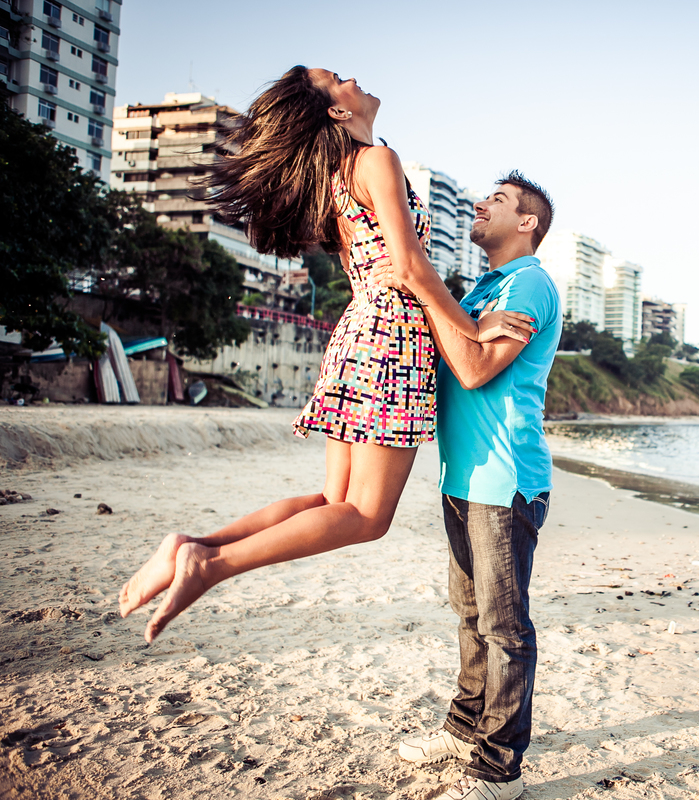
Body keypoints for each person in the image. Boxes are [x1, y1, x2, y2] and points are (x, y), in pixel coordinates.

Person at [116, 66, 534, 645]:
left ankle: (195, 546)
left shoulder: (337, 175)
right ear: (337, 112)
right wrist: (474, 325)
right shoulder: (376, 162)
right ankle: (211, 566)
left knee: (332, 501)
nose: (354, 79)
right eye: (339, 79)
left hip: (359, 334)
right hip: (394, 339)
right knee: (365, 516)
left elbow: (389, 264)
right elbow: (409, 267)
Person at [380, 172, 562, 800]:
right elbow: (447, 346)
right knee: (470, 615)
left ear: (528, 223)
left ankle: (498, 768)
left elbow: (476, 367)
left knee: (505, 628)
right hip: (460, 475)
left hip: (505, 479)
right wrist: (452, 309)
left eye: (500, 201)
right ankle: (464, 731)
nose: (482, 205)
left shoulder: (530, 283)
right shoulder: (486, 286)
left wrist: (428, 286)